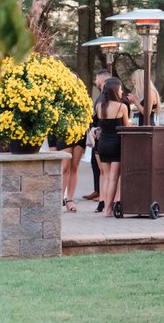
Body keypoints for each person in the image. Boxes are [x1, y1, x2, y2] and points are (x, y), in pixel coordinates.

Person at [51, 73, 90, 213]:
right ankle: (60, 197)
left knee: (75, 167)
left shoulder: (82, 98)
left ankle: (70, 199)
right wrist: (52, 143)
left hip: (79, 133)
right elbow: (52, 119)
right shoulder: (59, 97)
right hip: (63, 134)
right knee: (65, 166)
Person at [96, 77, 131, 218]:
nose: (122, 90)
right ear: (116, 90)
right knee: (113, 178)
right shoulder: (121, 107)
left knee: (105, 176)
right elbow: (126, 126)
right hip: (116, 144)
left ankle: (104, 204)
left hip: (103, 143)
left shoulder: (99, 106)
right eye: (120, 88)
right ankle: (108, 209)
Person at [82, 68, 110, 202]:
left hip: (102, 133)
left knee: (102, 167)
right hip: (98, 132)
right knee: (95, 162)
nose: (95, 81)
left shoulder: (106, 94)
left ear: (102, 79)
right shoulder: (102, 94)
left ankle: (102, 193)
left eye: (96, 78)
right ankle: (98, 189)